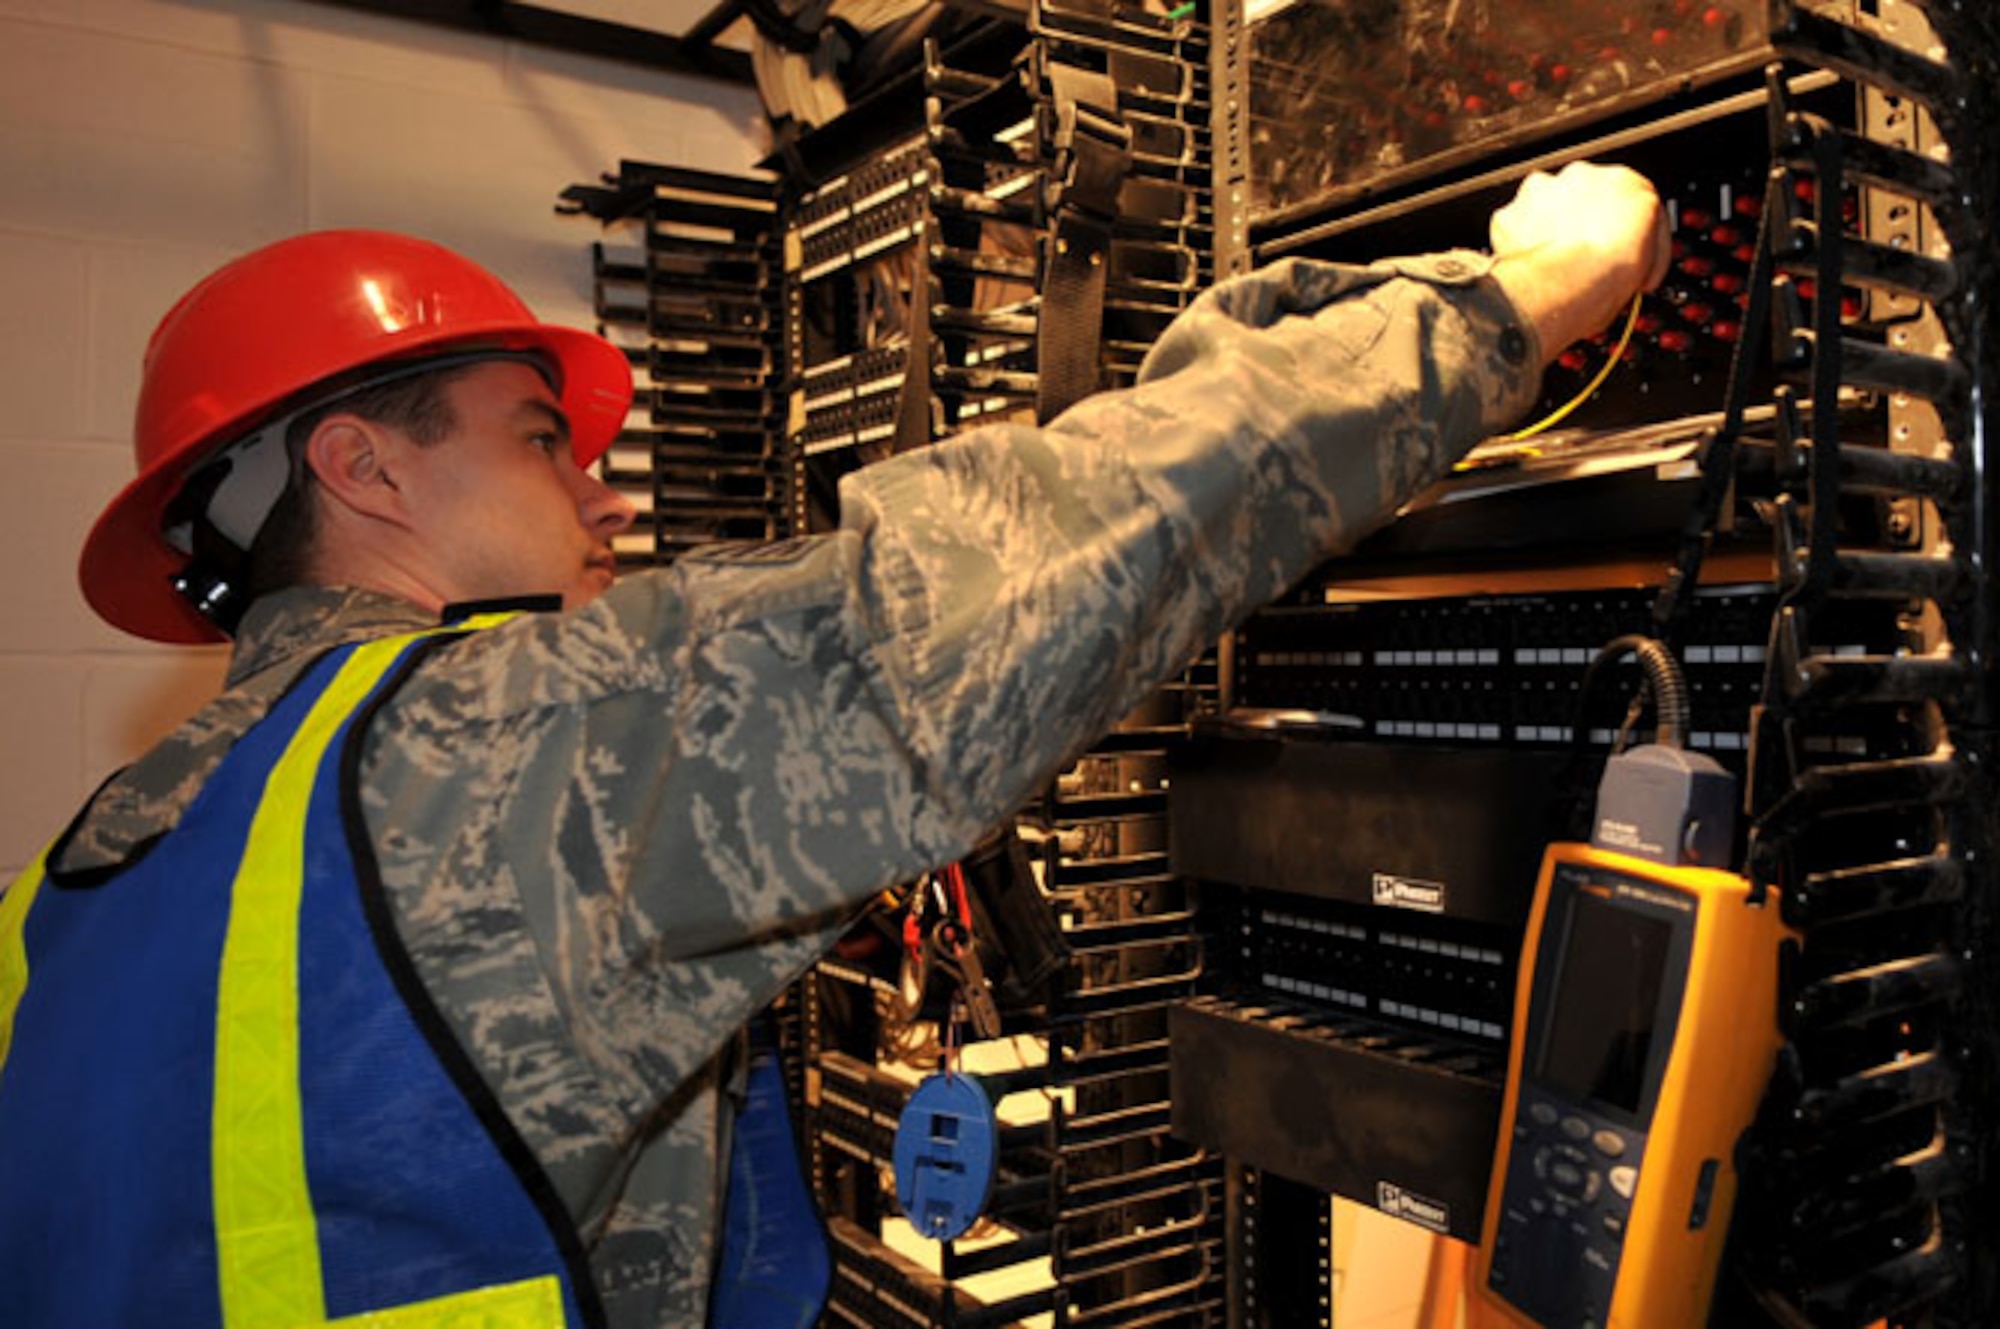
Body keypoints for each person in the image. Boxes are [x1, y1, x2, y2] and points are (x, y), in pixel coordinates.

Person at [0, 161, 1668, 1328]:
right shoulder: (476, 754)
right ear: (363, 469)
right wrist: (1513, 301)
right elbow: (1053, 554)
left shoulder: (62, 891)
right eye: (541, 438)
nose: (603, 494)